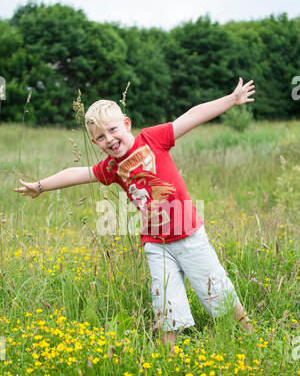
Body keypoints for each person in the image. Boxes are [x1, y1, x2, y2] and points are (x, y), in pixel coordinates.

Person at [14, 77, 255, 347]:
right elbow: (76, 173)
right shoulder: (111, 168)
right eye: (100, 137)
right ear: (96, 144)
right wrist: (40, 186)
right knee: (165, 303)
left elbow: (191, 117)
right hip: (156, 245)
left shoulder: (152, 138)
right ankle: (168, 358)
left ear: (126, 124)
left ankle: (250, 336)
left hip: (189, 236)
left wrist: (231, 100)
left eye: (113, 130)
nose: (109, 139)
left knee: (217, 290)